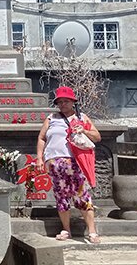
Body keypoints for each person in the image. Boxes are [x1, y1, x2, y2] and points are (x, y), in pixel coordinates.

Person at [35, 86, 102, 243]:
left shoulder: (82, 117)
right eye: (60, 102)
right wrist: (39, 157)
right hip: (55, 163)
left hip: (75, 163)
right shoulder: (51, 118)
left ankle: (92, 231)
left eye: (66, 101)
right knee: (61, 197)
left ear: (73, 102)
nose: (63, 104)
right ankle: (66, 229)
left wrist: (83, 131)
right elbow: (41, 138)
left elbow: (97, 137)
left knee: (82, 196)